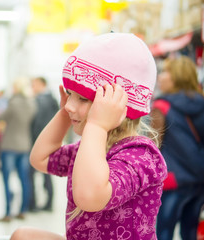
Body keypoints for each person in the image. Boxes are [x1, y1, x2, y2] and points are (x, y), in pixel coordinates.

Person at [10, 32, 167, 239]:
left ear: (119, 105)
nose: (70, 105)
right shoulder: (90, 148)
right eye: (69, 95)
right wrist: (64, 113)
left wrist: (98, 126)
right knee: (23, 236)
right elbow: (40, 158)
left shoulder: (141, 155)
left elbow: (90, 196)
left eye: (83, 98)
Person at [150, 55, 204, 240]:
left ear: (177, 77)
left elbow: (153, 146)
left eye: (166, 72)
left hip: (172, 180)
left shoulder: (162, 106)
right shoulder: (201, 102)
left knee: (164, 232)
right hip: (199, 180)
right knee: (189, 232)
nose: (161, 76)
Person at [0, 77, 36, 222]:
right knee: (24, 179)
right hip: (25, 145)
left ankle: (8, 212)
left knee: (6, 179)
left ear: (16, 88)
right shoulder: (31, 104)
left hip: (9, 145)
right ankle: (23, 210)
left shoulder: (13, 103)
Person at [29, 76, 59, 212]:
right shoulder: (52, 99)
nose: (32, 88)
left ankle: (38, 204)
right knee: (47, 173)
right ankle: (48, 203)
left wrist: (35, 141)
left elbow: (38, 123)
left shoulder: (41, 100)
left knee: (41, 172)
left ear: (42, 84)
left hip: (41, 141)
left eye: (34, 85)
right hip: (51, 140)